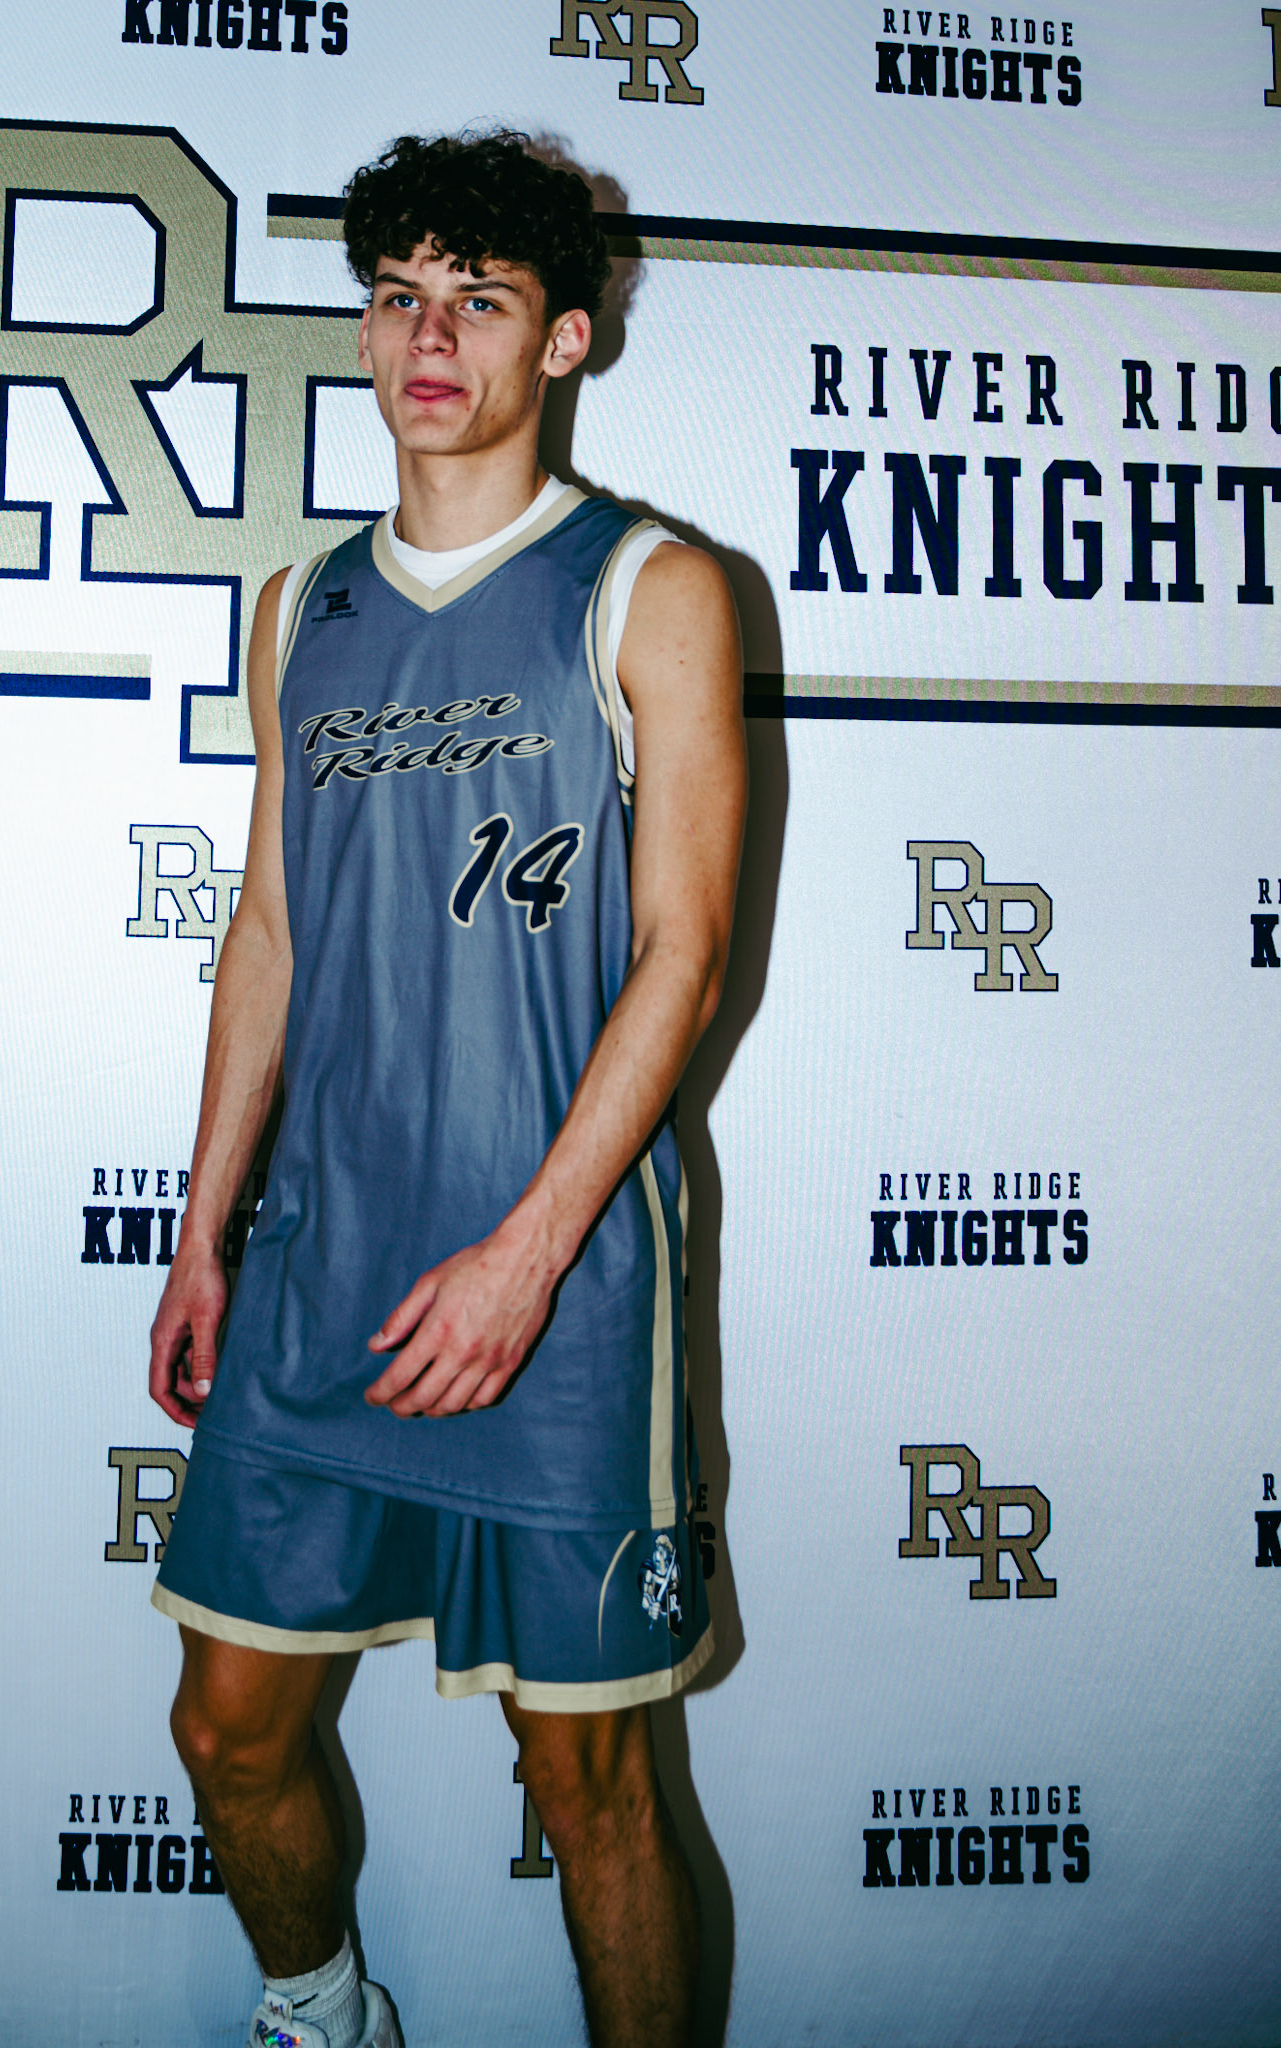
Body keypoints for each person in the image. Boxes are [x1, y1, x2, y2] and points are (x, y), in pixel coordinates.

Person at [148, 129, 746, 2048]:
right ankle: (326, 2017)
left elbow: (682, 957)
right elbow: (269, 932)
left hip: (555, 1297)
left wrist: (524, 1256)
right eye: (398, 296)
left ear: (563, 338)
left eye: (478, 300)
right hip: (321, 1270)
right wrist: (202, 1232)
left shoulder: (648, 586)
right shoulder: (297, 605)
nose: (429, 337)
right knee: (228, 1730)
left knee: (590, 1784)